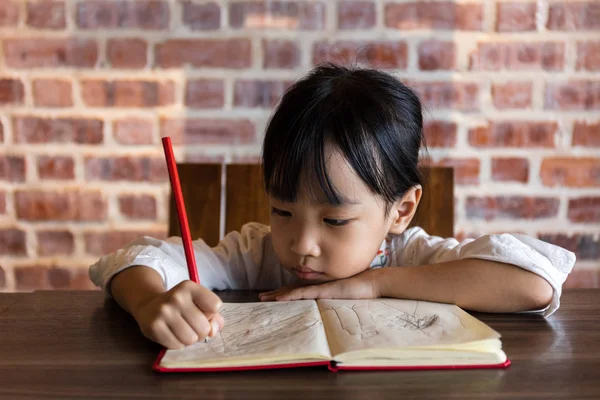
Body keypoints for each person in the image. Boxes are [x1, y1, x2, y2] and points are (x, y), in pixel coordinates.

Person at [90, 63, 575, 350]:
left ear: (400, 212)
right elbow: (135, 260)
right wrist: (151, 302)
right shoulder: (253, 255)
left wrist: (376, 284)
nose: (301, 245)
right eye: (283, 211)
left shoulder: (410, 257)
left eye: (335, 219)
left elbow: (533, 282)